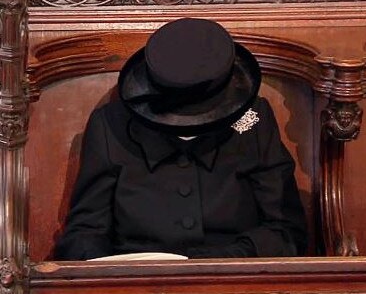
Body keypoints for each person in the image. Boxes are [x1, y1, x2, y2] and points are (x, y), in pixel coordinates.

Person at [54, 18, 308, 260]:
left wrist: (221, 261)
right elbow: (84, 234)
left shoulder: (253, 119)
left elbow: (287, 231)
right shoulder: (111, 126)